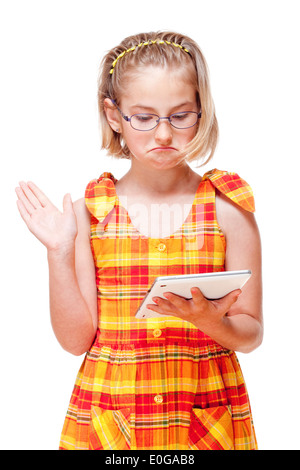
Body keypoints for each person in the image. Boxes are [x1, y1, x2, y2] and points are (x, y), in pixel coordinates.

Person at [15, 31, 263, 450]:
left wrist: (210, 321)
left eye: (180, 115)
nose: (163, 134)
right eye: (144, 118)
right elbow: (76, 341)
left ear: (201, 112)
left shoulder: (229, 209)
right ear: (114, 116)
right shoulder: (88, 213)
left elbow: (252, 333)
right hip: (112, 414)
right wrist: (58, 253)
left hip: (204, 412)